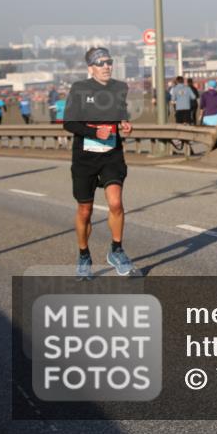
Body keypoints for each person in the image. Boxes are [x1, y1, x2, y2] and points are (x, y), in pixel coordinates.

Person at [64, 48, 135, 279]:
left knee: (116, 204)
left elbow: (120, 112)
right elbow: (69, 123)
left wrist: (124, 122)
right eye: (100, 63)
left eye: (109, 62)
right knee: (85, 211)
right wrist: (94, 133)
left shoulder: (119, 88)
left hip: (111, 155)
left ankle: (117, 250)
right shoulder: (79, 89)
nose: (106, 66)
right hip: (85, 158)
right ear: (90, 68)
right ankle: (84, 254)